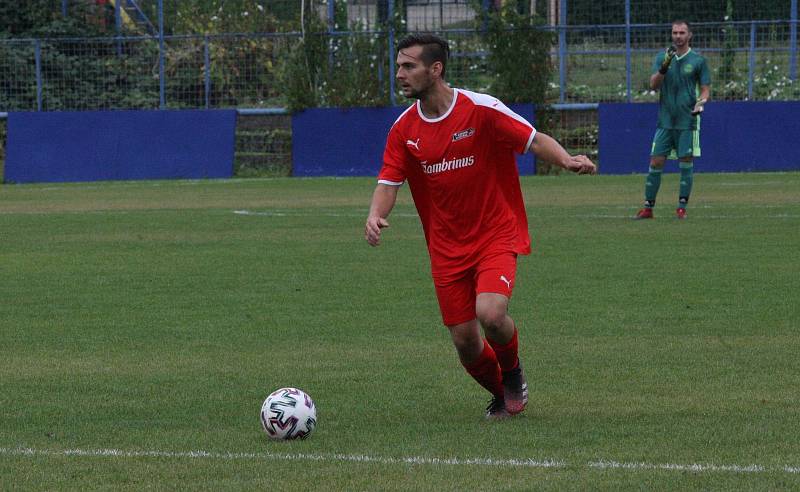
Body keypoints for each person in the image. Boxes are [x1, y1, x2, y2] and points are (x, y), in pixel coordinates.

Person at [364, 33, 596, 419]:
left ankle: (513, 371)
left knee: (490, 313)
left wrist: (567, 159)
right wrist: (374, 214)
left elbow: (533, 140)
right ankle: (502, 392)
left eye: (409, 66)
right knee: (465, 342)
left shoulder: (481, 109)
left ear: (435, 69)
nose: (399, 74)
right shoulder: (404, 130)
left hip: (494, 235)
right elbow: (389, 181)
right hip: (446, 248)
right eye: (399, 66)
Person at [635, 20, 711, 220]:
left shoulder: (698, 60)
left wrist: (701, 102)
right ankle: (648, 208)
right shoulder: (663, 57)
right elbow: (653, 85)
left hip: (687, 121)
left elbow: (705, 89)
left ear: (689, 35)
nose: (678, 36)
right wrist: (664, 66)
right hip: (665, 121)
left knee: (685, 161)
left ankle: (681, 207)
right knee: (656, 161)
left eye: (682, 32)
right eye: (675, 33)